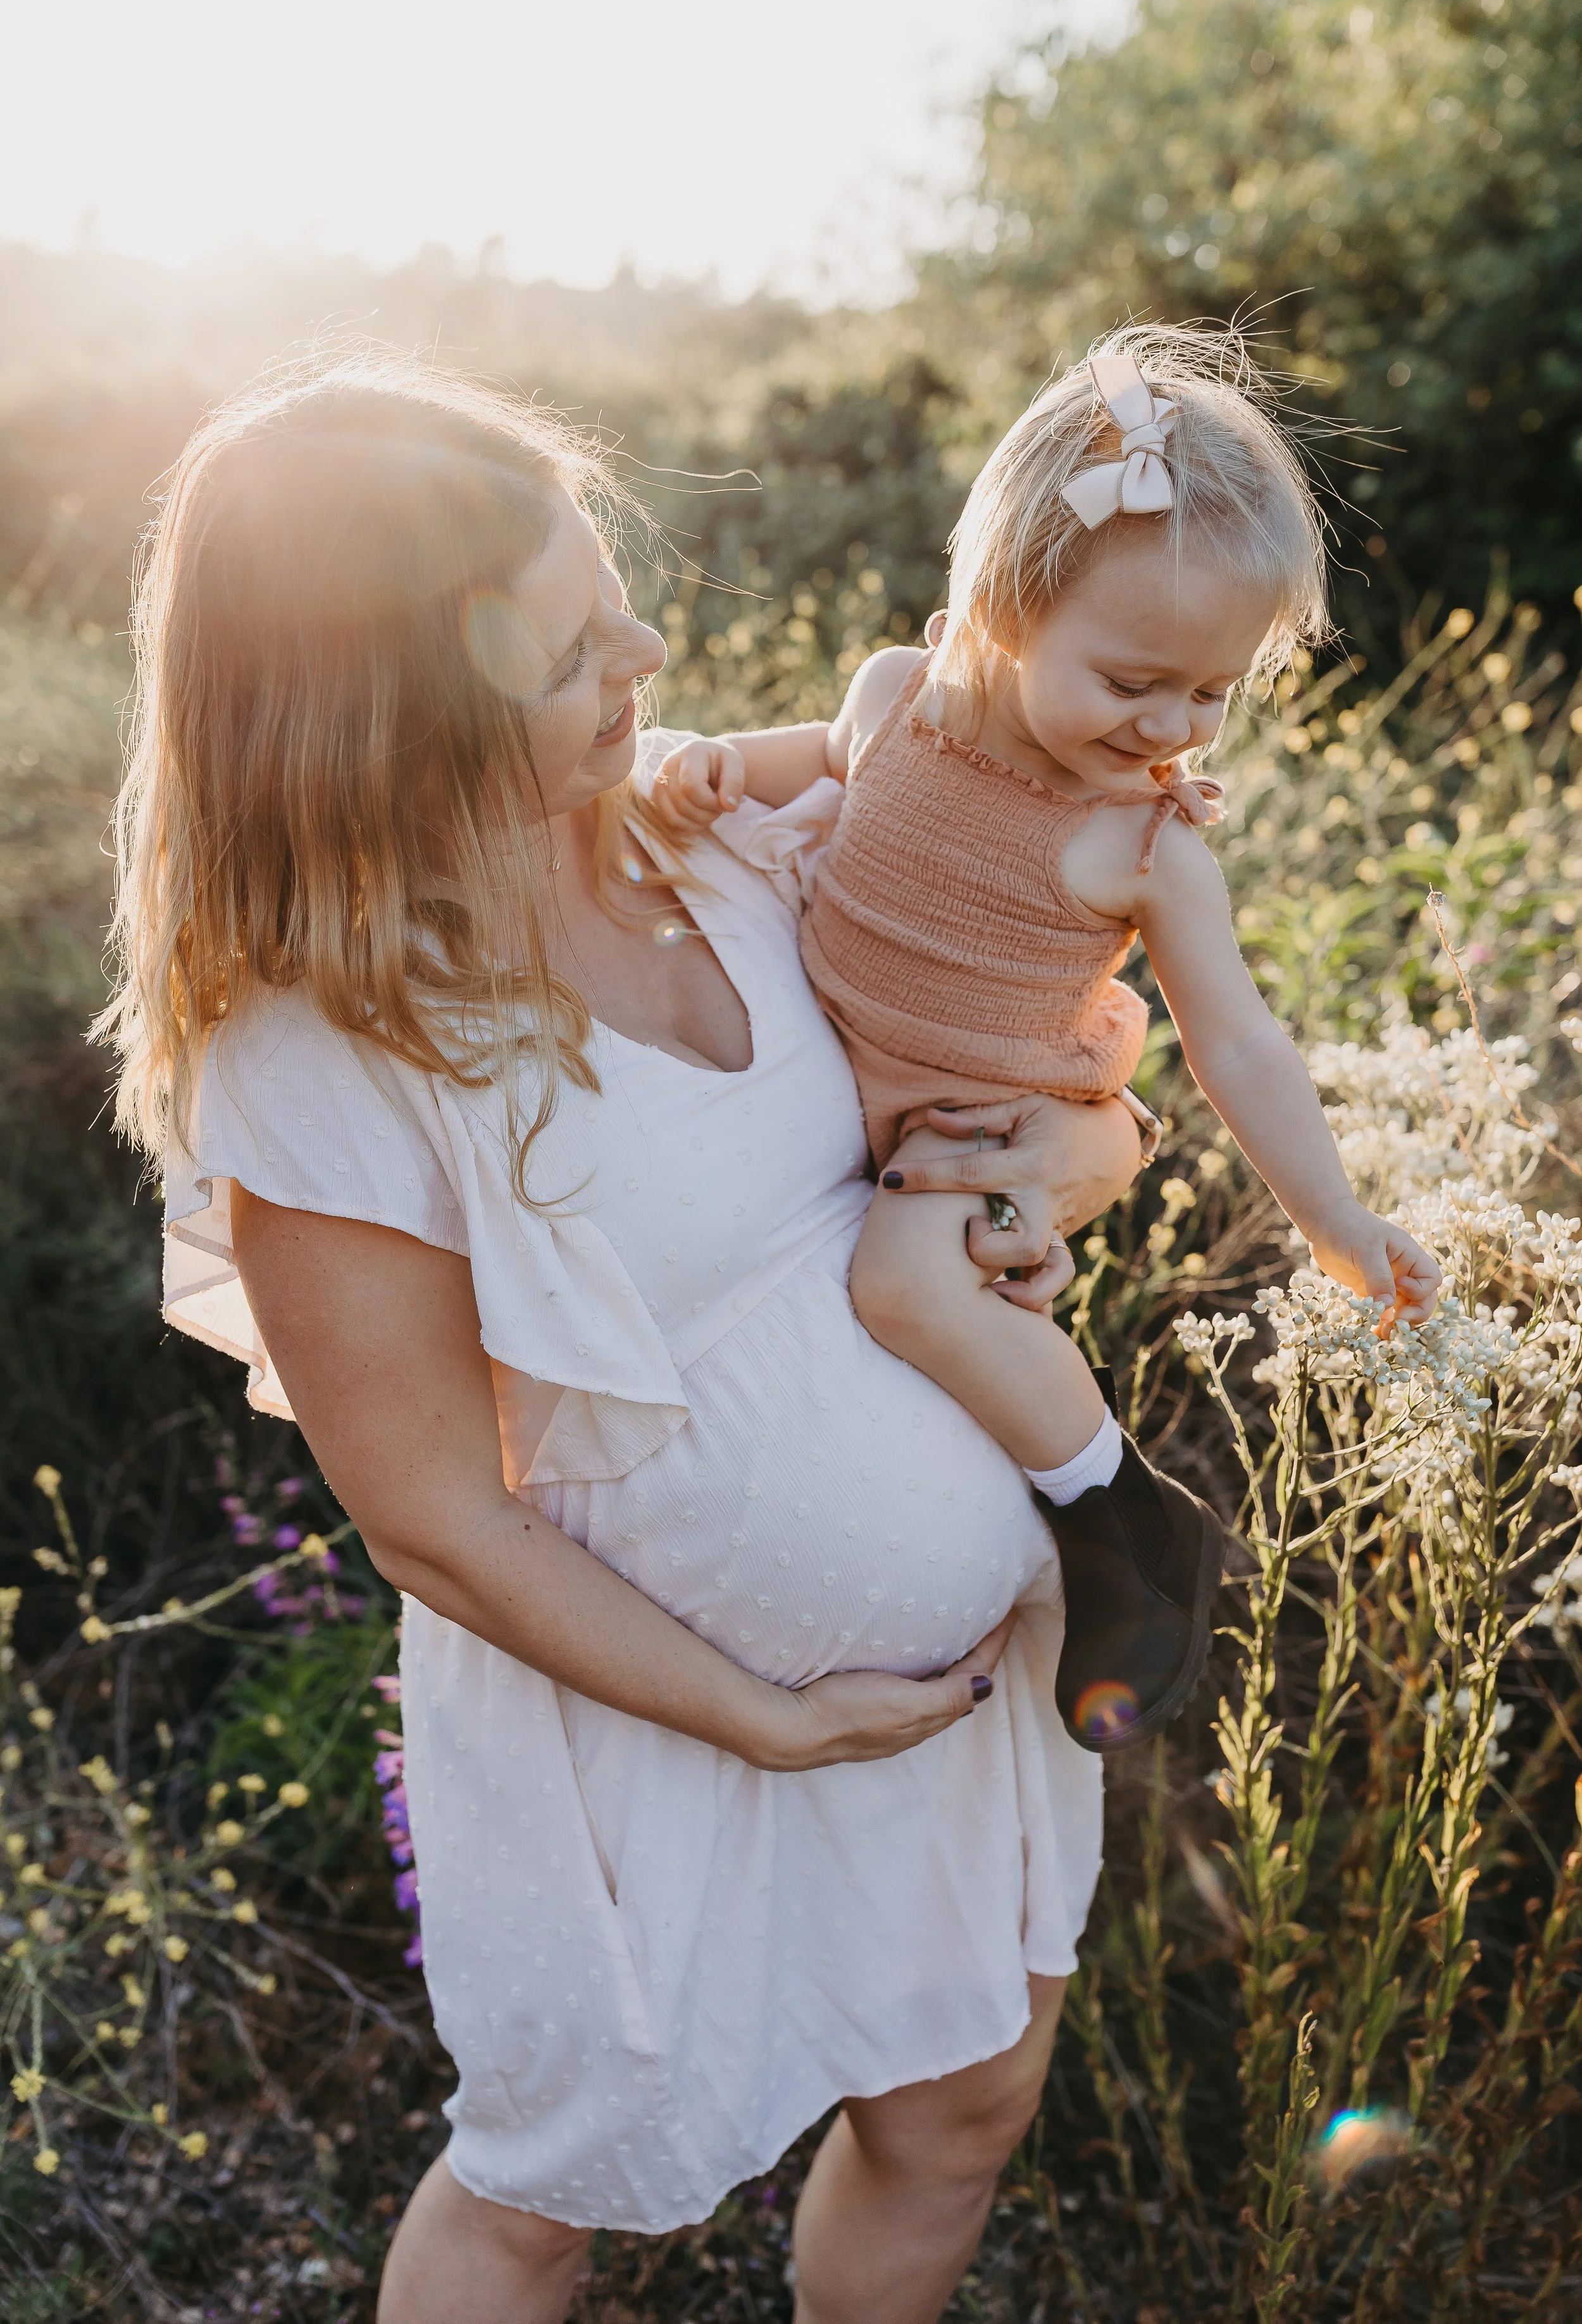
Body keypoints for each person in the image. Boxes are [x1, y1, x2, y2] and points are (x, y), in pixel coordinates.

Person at [95, 350, 1147, 2324]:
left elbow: (1046, 1066)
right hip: (639, 1727)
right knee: (548, 2190)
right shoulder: (325, 1049)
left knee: (958, 2107)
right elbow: (429, 1518)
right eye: (578, 642)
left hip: (951, 1694)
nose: (651, 646)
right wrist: (754, 1709)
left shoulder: (728, 834)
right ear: (392, 714)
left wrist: (1074, 1155)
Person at [649, 324, 1442, 1753]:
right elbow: (809, 765)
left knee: (904, 1288)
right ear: (1007, 605)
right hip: (845, 1090)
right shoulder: (897, 697)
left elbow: (1240, 1047)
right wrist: (713, 770)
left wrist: (1330, 1217)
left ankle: (1120, 1513)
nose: (1168, 728)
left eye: (1209, 694)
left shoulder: (1138, 844)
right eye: (1133, 679)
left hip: (965, 1131)